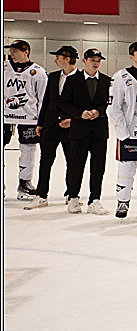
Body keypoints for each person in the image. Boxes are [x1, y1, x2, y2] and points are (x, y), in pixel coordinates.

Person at [23, 46, 78, 210]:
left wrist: (72, 120)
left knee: (72, 162)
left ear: (67, 59)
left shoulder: (81, 79)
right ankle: (41, 195)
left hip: (70, 128)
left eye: (58, 57)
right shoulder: (53, 77)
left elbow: (83, 104)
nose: (55, 60)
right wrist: (40, 123)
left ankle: (71, 195)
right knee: (45, 161)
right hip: (50, 126)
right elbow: (46, 101)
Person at [59, 48, 112, 215]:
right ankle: (73, 198)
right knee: (76, 165)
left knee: (98, 167)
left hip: (99, 131)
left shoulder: (106, 81)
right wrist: (79, 113)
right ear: (84, 60)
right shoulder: (73, 80)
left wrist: (99, 112)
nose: (95, 63)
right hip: (79, 130)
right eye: (92, 60)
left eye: (98, 60)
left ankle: (95, 200)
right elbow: (63, 103)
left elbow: (111, 104)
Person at [109, 42, 137, 219]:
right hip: (130, 133)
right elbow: (113, 108)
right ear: (131, 56)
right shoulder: (120, 77)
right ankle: (122, 201)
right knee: (126, 169)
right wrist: (123, 132)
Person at [4, 40, 48, 198]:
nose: (11, 54)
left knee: (28, 150)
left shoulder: (38, 72)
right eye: (11, 51)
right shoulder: (4, 68)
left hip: (29, 118)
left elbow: (42, 99)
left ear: (26, 51)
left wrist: (41, 121)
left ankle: (24, 183)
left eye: (15, 51)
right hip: (5, 117)